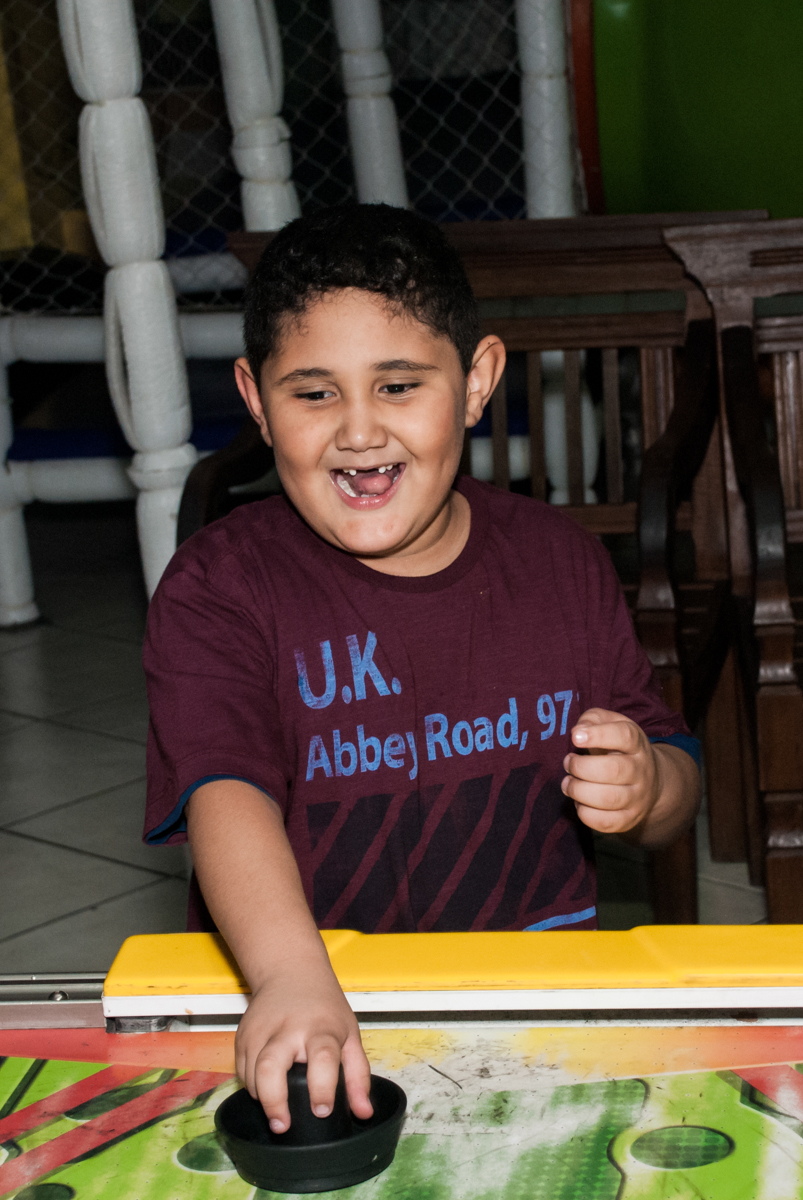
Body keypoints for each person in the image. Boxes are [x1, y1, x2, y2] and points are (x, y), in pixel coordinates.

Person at [143, 203, 700, 1135]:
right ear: (254, 397)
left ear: (476, 380)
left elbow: (672, 775)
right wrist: (289, 975)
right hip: (308, 1001)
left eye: (398, 385)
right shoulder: (217, 586)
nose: (359, 433)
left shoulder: (560, 561)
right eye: (313, 394)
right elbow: (222, 790)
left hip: (533, 1001)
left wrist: (649, 785)